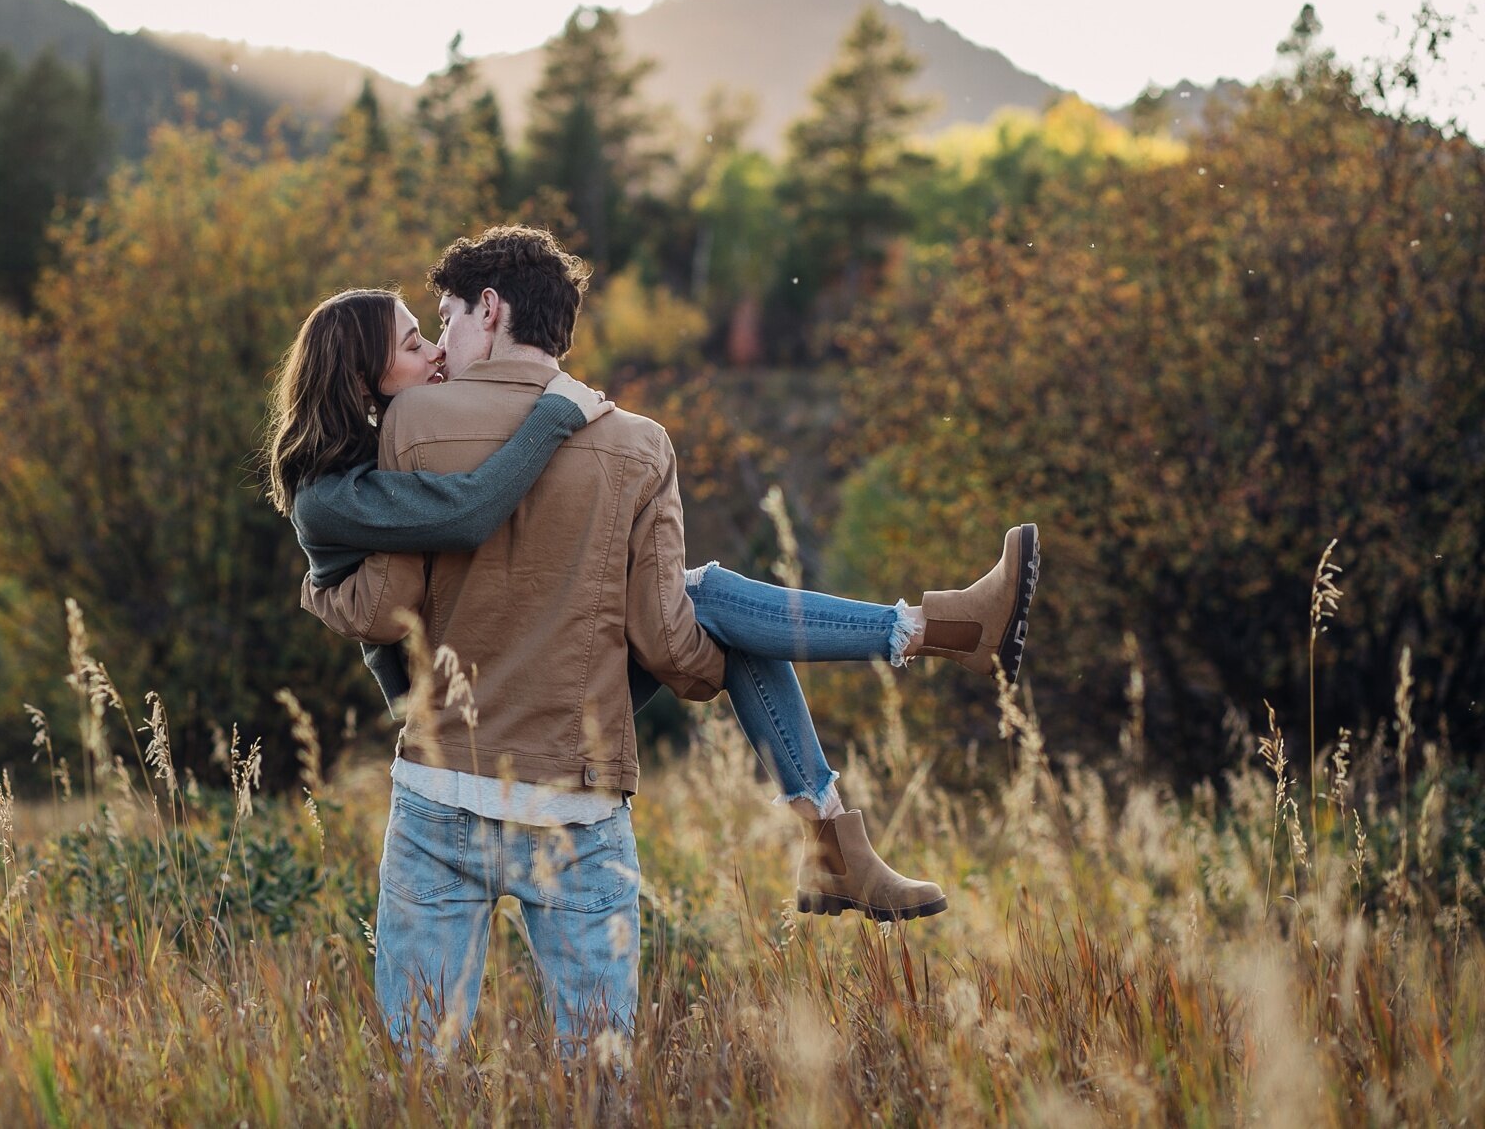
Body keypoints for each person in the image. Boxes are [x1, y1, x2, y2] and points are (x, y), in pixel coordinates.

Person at [264, 227, 1039, 1057]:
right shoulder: (634, 440)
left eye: (443, 319)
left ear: (489, 309)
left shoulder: (409, 423)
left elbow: (396, 602)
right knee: (599, 1076)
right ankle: (910, 666)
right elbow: (664, 642)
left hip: (442, 783)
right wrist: (721, 657)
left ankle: (911, 667)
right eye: (421, 336)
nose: (440, 344)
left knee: (417, 1068)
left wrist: (323, 592)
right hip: (577, 793)